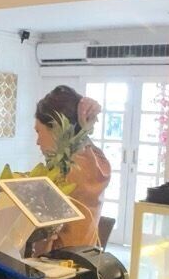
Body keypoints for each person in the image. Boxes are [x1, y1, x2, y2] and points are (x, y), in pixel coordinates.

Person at [33, 85, 111, 249]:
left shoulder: (67, 172)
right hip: (87, 256)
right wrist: (83, 125)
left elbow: (43, 237)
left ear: (56, 129)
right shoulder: (96, 162)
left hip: (60, 260)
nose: (37, 141)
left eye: (39, 132)